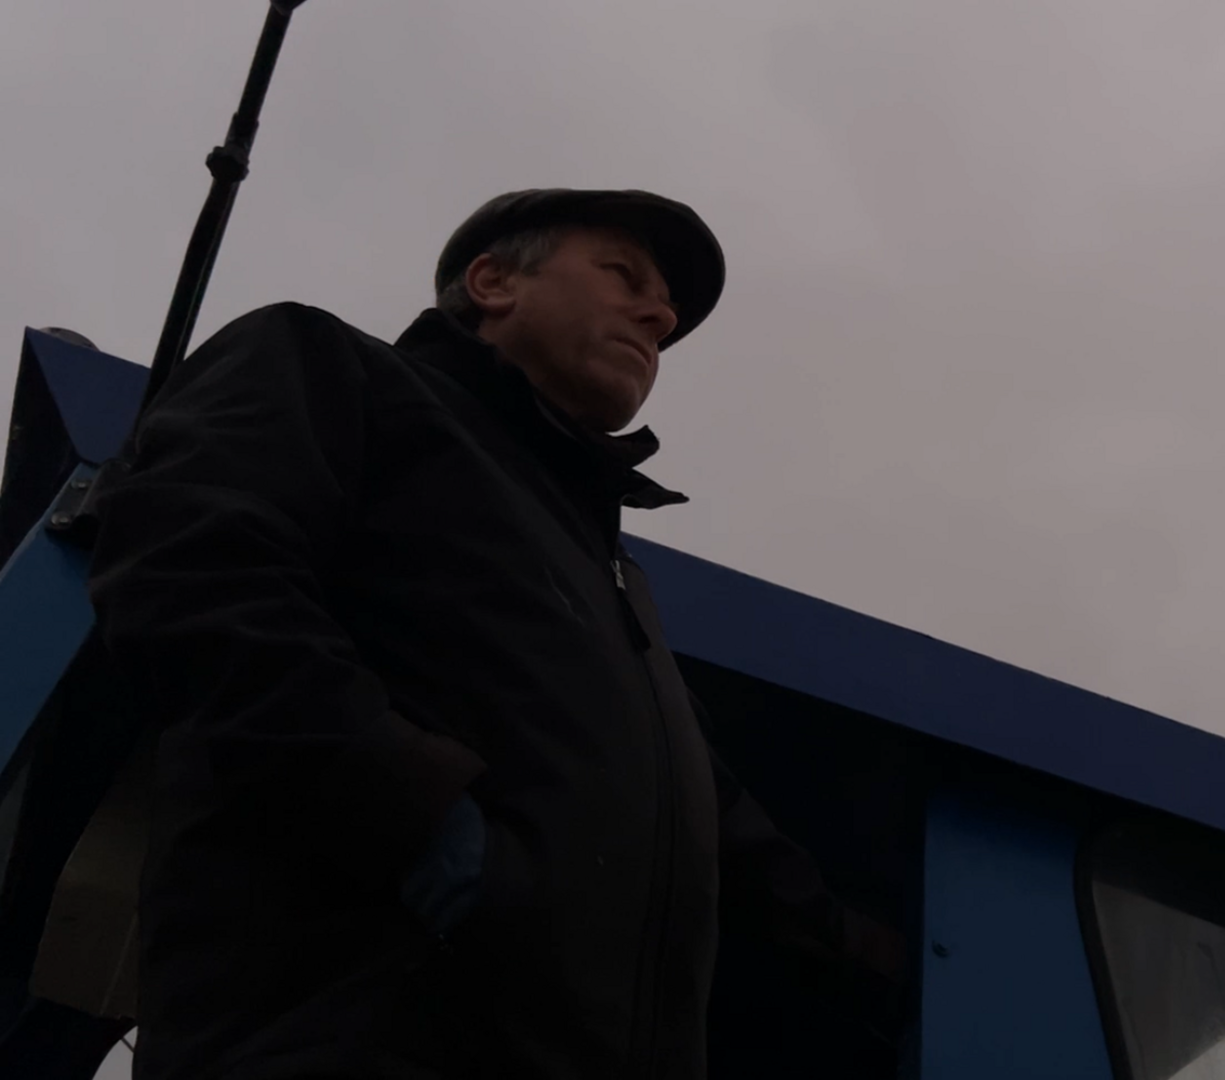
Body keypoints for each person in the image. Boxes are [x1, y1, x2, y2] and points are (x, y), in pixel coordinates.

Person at [86, 189, 905, 1080]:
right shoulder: (328, 367)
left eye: (665, 313)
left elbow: (713, 820)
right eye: (624, 277)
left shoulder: (617, 581)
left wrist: (875, 955)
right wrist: (425, 826)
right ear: (491, 282)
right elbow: (191, 570)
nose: (660, 314)